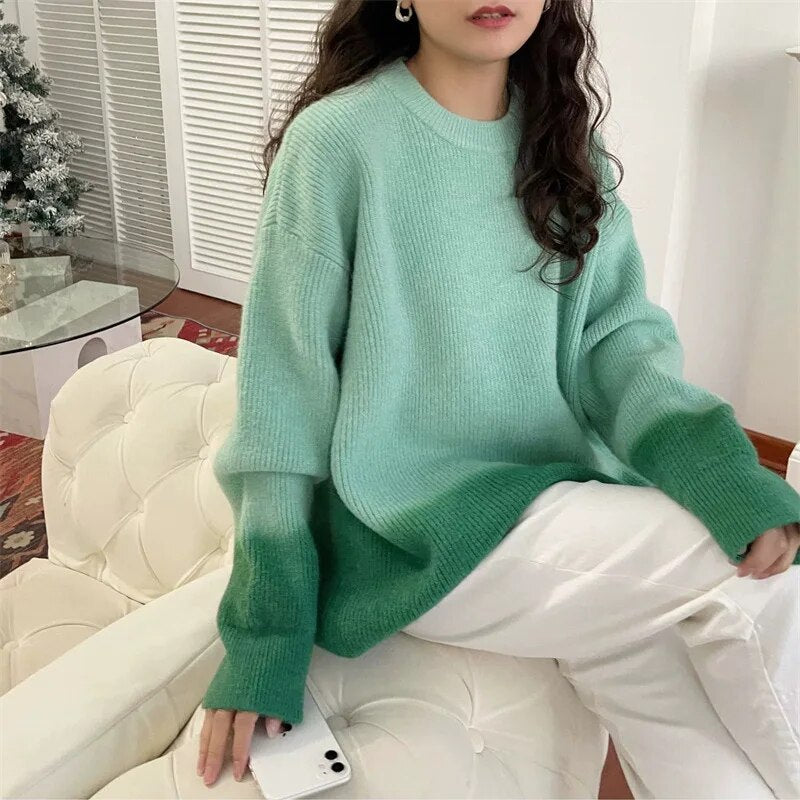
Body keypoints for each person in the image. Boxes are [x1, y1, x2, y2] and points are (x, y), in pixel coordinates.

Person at [196, 0, 800, 795]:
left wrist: (720, 470)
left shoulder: (566, 147)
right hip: (407, 533)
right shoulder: (339, 142)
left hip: (553, 502)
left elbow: (621, 352)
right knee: (759, 574)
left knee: (690, 737)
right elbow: (283, 396)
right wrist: (265, 635)